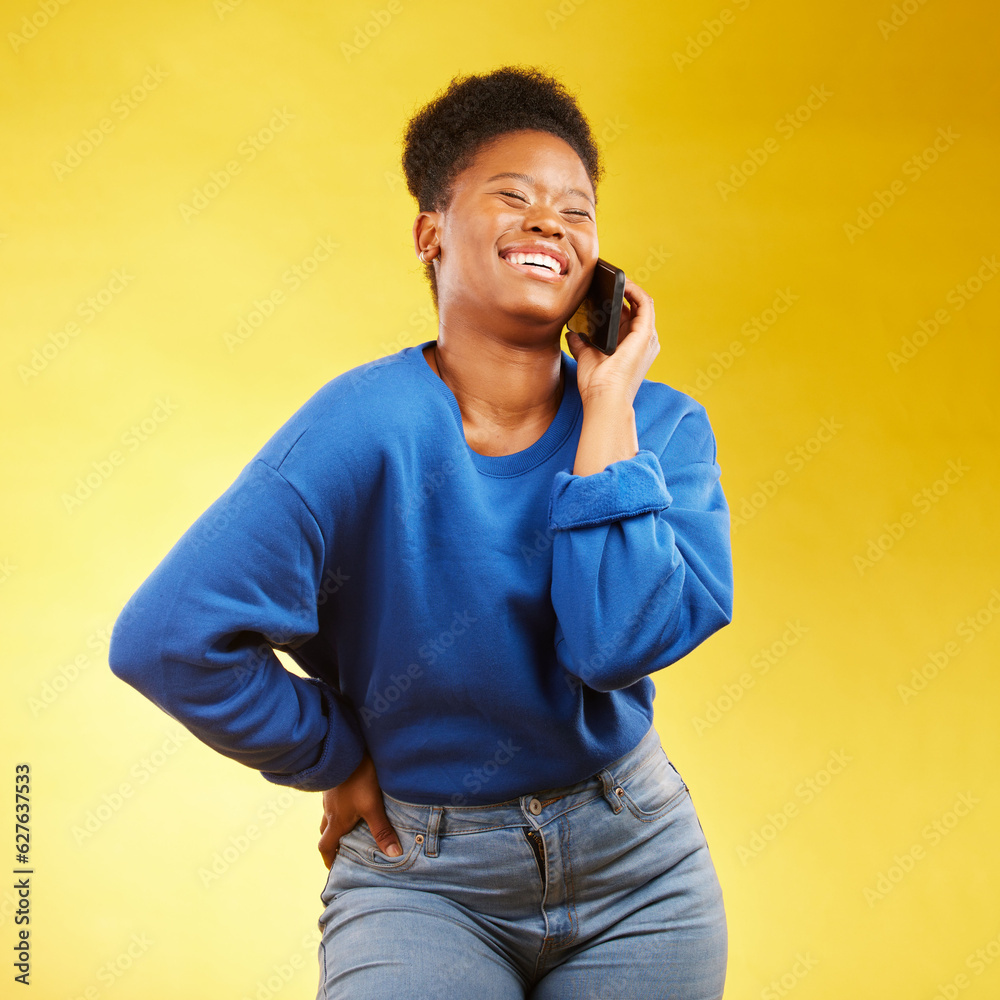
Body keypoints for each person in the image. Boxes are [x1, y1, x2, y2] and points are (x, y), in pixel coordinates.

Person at [108, 64, 734, 999]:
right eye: (512, 196)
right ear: (430, 232)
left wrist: (608, 405)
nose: (549, 224)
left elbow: (612, 645)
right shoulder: (361, 426)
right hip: (424, 875)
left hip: (640, 868)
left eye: (577, 210)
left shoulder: (666, 431)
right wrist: (334, 754)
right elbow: (166, 640)